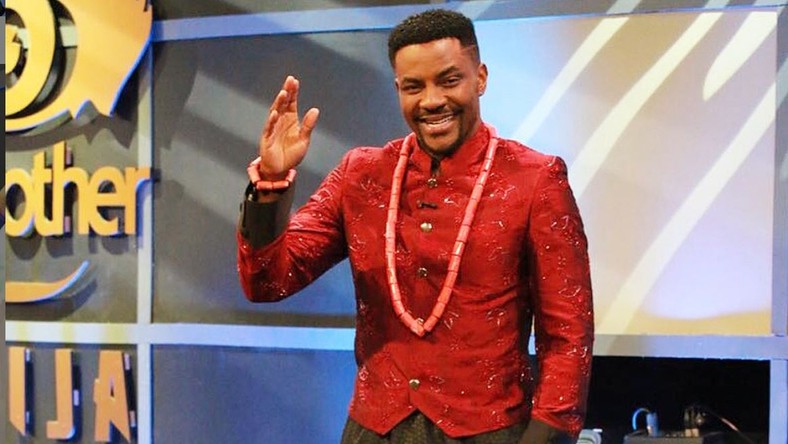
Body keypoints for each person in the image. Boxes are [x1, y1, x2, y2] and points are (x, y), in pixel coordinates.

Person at [237, 9, 593, 444]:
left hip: (490, 431)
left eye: (449, 80)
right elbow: (268, 281)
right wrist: (271, 182)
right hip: (374, 430)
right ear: (398, 89)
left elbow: (568, 333)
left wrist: (548, 435)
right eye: (414, 87)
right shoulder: (361, 174)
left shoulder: (535, 179)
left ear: (480, 78)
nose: (431, 101)